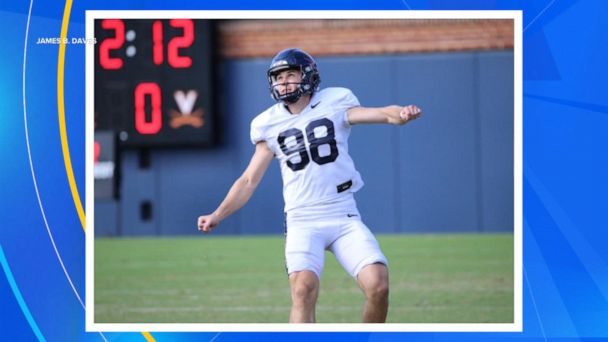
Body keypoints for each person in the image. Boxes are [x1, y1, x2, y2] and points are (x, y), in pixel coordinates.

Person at [197, 48, 421, 323]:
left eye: (290, 75)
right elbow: (248, 180)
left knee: (378, 285)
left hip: (343, 214)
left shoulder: (335, 101)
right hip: (302, 219)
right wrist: (217, 214)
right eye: (278, 77)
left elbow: (382, 114)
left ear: (308, 76)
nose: (284, 82)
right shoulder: (267, 123)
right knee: (303, 290)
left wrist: (401, 114)